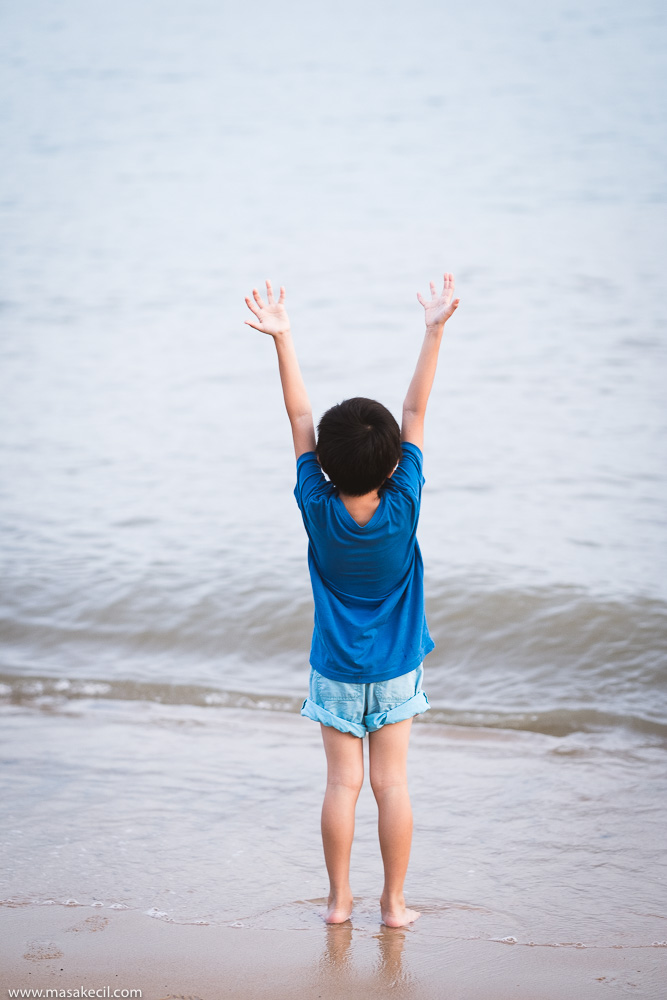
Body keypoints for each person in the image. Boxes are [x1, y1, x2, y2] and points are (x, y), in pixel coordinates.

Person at [243, 274, 460, 927]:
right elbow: (416, 412)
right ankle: (392, 906)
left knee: (341, 784)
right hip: (395, 668)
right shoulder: (404, 503)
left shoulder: (315, 503)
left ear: (326, 465)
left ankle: (339, 903)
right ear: (394, 463)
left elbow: (298, 418)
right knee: (390, 784)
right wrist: (434, 328)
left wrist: (282, 337)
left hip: (335, 669)